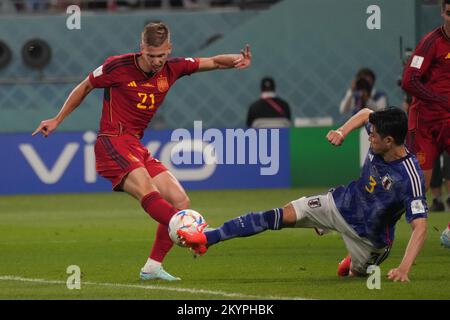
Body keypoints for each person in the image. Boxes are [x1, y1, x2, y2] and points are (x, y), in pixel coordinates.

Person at [32, 21, 252, 281]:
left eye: (161, 55)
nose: (157, 61)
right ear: (142, 49)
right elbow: (85, 86)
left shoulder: (173, 68)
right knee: (149, 190)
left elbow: (214, 62)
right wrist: (57, 119)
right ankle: (188, 230)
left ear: (169, 49)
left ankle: (152, 267)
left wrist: (236, 59)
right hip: (112, 140)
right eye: (151, 55)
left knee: (179, 200)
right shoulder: (118, 66)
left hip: (135, 143)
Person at [179, 107, 428, 282]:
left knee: (351, 276)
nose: (369, 135)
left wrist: (404, 268)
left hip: (368, 240)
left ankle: (352, 262)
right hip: (339, 204)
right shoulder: (380, 133)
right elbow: (365, 113)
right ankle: (207, 239)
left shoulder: (410, 177)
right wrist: (342, 131)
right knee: (279, 215)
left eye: (373, 135)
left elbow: (420, 227)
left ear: (389, 140)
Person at [401, 0, 450, 191]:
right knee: (420, 187)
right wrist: (441, 100)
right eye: (449, 13)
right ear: (442, 14)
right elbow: (409, 81)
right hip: (425, 123)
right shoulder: (430, 43)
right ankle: (387, 218)